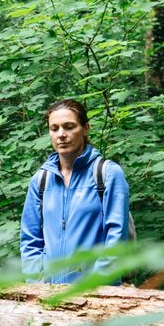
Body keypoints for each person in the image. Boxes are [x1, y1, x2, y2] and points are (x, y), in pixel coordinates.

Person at [19, 99, 132, 283]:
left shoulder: (107, 174)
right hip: (50, 296)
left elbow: (116, 238)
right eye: (54, 128)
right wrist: (37, 285)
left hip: (99, 295)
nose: (61, 134)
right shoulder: (41, 180)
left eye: (69, 126)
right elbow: (30, 240)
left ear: (85, 128)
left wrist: (95, 289)